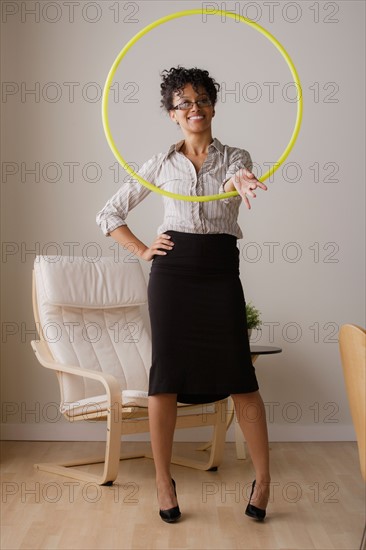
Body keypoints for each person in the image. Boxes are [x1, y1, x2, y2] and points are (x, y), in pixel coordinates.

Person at [96, 66, 271, 523]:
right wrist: (143, 249)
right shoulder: (159, 163)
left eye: (202, 100)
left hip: (218, 271)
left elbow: (238, 177)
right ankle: (162, 481)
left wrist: (245, 182)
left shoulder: (235, 156)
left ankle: (265, 479)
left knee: (240, 376)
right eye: (184, 103)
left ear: (214, 105)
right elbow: (108, 214)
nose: (195, 109)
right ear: (172, 114)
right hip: (172, 274)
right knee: (166, 376)